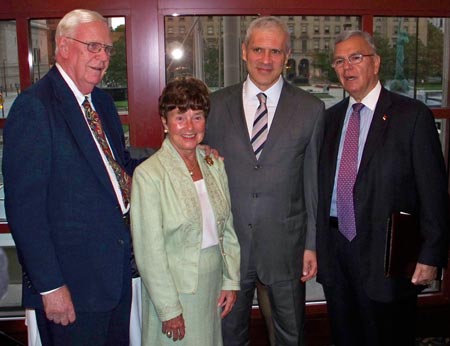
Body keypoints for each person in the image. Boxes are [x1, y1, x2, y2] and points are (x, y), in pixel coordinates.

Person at [2, 9, 145, 345]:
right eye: (93, 46)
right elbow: (25, 210)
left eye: (107, 49)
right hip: (72, 287)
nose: (103, 57)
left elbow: (119, 168)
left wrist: (185, 156)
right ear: (63, 47)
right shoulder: (34, 107)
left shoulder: (102, 105)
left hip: (115, 276)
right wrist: (50, 286)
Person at [316, 30, 449, 346]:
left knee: (389, 336)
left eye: (356, 57)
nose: (347, 67)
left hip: (388, 253)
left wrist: (431, 255)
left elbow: (434, 193)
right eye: (339, 61)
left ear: (375, 63)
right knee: (345, 336)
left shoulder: (412, 116)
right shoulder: (330, 119)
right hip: (336, 250)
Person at [205, 16, 325, 345]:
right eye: (258, 49)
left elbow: (313, 183)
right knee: (229, 334)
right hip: (228, 248)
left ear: (287, 56)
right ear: (244, 51)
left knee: (290, 335)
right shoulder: (215, 106)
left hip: (286, 248)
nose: (266, 59)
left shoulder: (310, 109)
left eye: (275, 51)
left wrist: (311, 244)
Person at [130, 76, 240, 345]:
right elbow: (149, 252)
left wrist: (230, 280)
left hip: (212, 286)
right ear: (165, 123)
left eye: (197, 116)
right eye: (180, 117)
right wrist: (169, 309)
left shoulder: (214, 164)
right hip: (174, 291)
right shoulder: (149, 175)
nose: (190, 127)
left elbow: (227, 229)